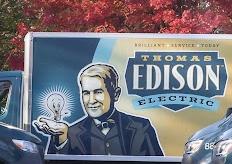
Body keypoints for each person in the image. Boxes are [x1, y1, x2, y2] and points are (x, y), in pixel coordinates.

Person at [34, 63, 164, 156]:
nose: (91, 100)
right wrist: (61, 139)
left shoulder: (141, 127)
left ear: (116, 94)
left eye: (98, 92)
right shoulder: (70, 133)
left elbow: (155, 163)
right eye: (86, 93)